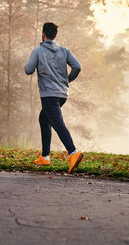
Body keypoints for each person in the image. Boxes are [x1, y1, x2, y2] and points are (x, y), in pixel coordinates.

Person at [24, 22, 83, 174]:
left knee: (57, 123)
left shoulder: (38, 51)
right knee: (44, 119)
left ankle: (73, 152)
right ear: (54, 35)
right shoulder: (64, 50)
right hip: (62, 94)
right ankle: (45, 156)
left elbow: (28, 70)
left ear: (43, 35)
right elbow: (77, 67)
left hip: (49, 95)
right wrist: (67, 80)